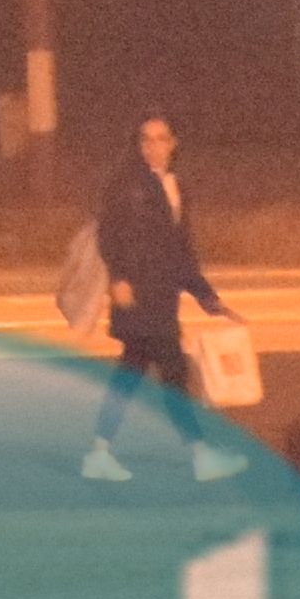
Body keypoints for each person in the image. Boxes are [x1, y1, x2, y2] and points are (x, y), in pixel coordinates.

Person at [82, 111, 249, 484]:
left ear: (174, 143)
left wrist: (207, 297)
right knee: (173, 375)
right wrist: (119, 278)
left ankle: (99, 451)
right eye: (147, 139)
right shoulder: (126, 184)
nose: (154, 146)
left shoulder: (175, 186)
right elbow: (110, 234)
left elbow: (180, 250)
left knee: (130, 374)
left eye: (161, 138)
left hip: (162, 295)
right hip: (140, 297)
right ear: (138, 145)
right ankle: (200, 455)